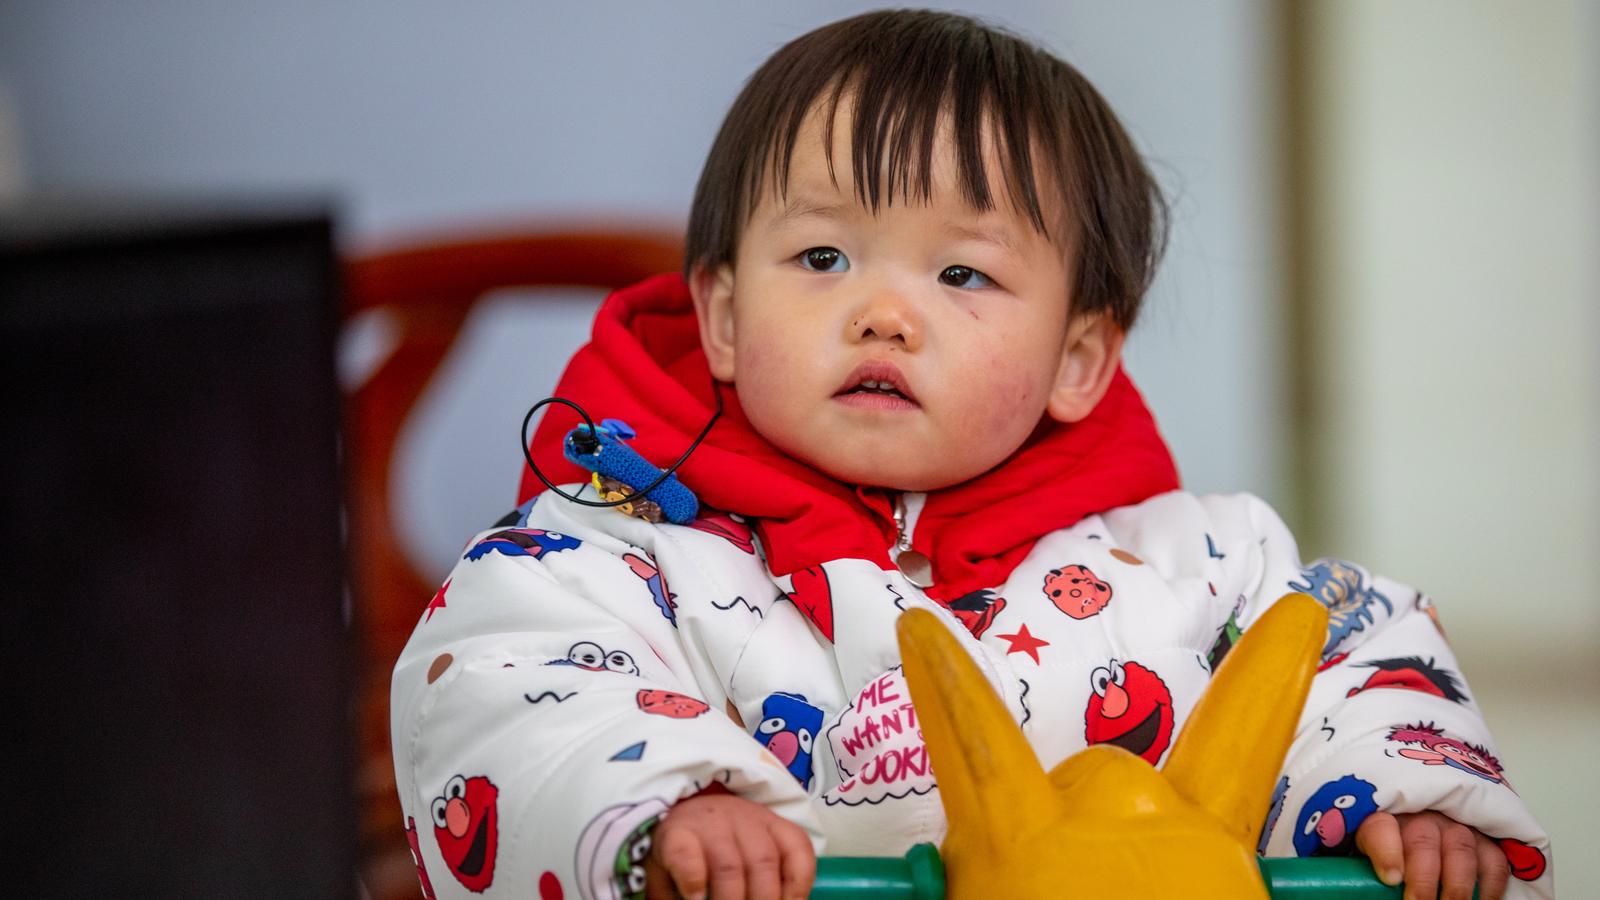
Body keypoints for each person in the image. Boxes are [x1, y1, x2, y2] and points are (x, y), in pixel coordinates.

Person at [390, 10, 1550, 900]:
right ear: (724, 318)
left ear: (1077, 359)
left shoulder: (1198, 562)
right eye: (824, 258)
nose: (885, 314)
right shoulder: (610, 560)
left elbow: (1355, 651)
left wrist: (1405, 801)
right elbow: (507, 690)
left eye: (961, 276)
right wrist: (661, 813)